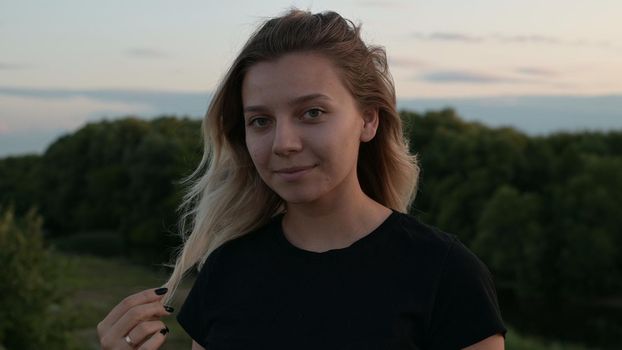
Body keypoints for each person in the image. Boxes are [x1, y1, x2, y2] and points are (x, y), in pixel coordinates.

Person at [97, 8, 507, 350]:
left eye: (312, 112)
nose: (283, 143)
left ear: (368, 119)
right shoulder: (226, 271)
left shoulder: (445, 275)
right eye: (260, 121)